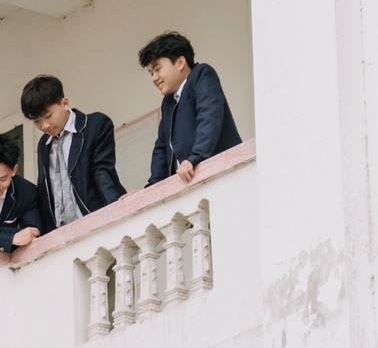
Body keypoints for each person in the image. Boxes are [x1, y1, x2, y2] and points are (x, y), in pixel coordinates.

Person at [20, 74, 123, 229]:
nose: (44, 126)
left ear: (65, 103)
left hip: (97, 222)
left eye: (48, 116)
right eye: (36, 121)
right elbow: (45, 191)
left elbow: (101, 171)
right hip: (62, 233)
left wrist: (116, 207)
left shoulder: (94, 125)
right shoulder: (43, 144)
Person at [139, 32, 241, 185]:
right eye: (151, 73)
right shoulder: (168, 102)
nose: (154, 78)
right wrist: (151, 188)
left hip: (224, 173)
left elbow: (209, 117)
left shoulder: (202, 75)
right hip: (191, 182)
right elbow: (161, 146)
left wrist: (195, 157)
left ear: (180, 62)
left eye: (158, 69)